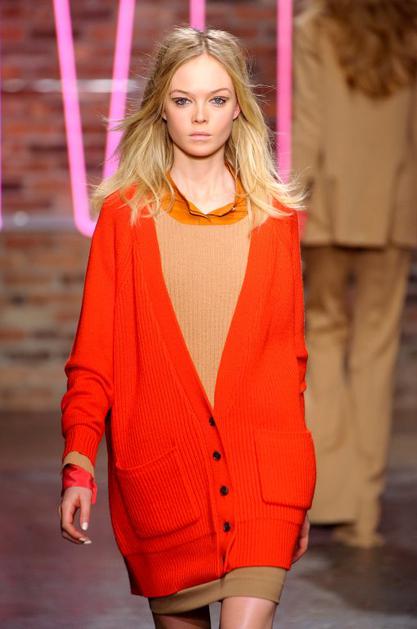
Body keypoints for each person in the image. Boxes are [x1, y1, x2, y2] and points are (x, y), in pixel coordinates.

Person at [57, 26, 317, 629]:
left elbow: (289, 364)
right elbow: (94, 358)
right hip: (163, 479)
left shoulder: (276, 220)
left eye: (217, 99)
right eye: (183, 100)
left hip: (263, 480)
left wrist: (298, 486)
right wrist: (78, 461)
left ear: (239, 109)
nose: (200, 117)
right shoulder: (125, 219)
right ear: (161, 109)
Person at [292, 0, 417, 548]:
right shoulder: (410, 28)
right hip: (395, 206)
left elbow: (310, 123)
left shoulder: (315, 28)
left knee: (322, 338)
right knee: (376, 352)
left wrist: (289, 201)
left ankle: (332, 495)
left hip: (329, 206)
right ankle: (363, 510)